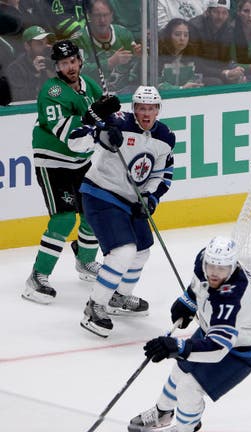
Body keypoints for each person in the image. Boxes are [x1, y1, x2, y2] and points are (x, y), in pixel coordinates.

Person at [128, 236, 251, 432]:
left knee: (189, 388)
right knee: (181, 369)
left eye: (222, 268)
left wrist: (178, 347)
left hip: (243, 348)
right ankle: (163, 412)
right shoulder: (203, 261)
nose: (214, 273)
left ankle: (185, 429)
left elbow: (217, 349)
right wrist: (188, 301)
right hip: (212, 330)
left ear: (233, 267)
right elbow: (198, 286)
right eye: (211, 265)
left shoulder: (232, 298)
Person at [69, 85, 175, 337]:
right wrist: (97, 129)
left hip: (131, 201)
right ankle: (95, 306)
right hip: (100, 193)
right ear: (134, 109)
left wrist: (150, 198)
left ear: (158, 110)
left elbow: (162, 174)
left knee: (141, 252)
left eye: (151, 108)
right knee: (123, 251)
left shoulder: (166, 137)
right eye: (141, 108)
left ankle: (119, 297)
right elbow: (74, 142)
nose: (146, 113)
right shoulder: (116, 122)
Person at [23, 39, 120, 305]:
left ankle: (86, 262)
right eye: (64, 63)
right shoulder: (51, 92)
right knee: (64, 218)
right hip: (53, 161)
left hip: (80, 162)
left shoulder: (90, 86)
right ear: (57, 67)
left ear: (80, 60)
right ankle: (37, 276)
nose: (70, 67)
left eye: (73, 61)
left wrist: (112, 119)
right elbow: (71, 138)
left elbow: (106, 118)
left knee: (93, 210)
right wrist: (94, 114)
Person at [75, 0, 141, 95]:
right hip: (92, 94)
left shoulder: (124, 34)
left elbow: (135, 70)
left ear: (112, 16)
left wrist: (141, 56)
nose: (102, 20)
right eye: (97, 15)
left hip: (124, 94)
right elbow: (79, 71)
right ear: (89, 16)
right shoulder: (80, 39)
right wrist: (110, 62)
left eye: (105, 15)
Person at [188, 0, 243, 86]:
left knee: (238, 79)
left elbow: (228, 58)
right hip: (196, 72)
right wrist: (224, 72)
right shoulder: (195, 27)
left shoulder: (229, 29)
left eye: (224, 13)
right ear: (208, 12)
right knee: (217, 82)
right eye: (216, 12)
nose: (220, 17)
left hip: (217, 70)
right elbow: (195, 64)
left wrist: (236, 69)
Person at [5, 25, 54, 102]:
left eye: (46, 42)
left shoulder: (53, 60)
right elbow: (19, 99)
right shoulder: (15, 68)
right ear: (27, 46)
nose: (45, 46)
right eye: (40, 43)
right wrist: (35, 75)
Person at [157, 18, 204, 90]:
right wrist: (180, 88)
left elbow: (197, 78)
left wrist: (190, 86)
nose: (182, 38)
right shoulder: (158, 54)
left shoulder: (194, 54)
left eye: (186, 35)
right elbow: (156, 84)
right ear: (169, 36)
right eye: (177, 34)